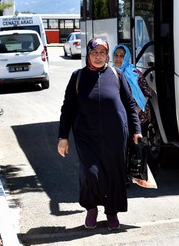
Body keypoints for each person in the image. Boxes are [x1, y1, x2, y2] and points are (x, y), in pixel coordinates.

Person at [57, 38, 142, 231]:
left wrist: (136, 130)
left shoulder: (116, 74)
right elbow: (67, 108)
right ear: (88, 54)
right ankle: (91, 208)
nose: (98, 57)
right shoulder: (78, 76)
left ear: (107, 55)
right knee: (90, 174)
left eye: (102, 53)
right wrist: (63, 137)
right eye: (94, 53)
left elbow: (129, 104)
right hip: (86, 136)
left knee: (114, 174)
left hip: (115, 135)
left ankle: (112, 212)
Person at [113, 44, 151, 131]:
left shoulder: (135, 73)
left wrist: (135, 112)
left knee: (136, 143)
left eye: (122, 56)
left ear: (126, 57)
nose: (118, 58)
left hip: (138, 116)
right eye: (116, 55)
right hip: (118, 117)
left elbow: (146, 93)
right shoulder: (110, 73)